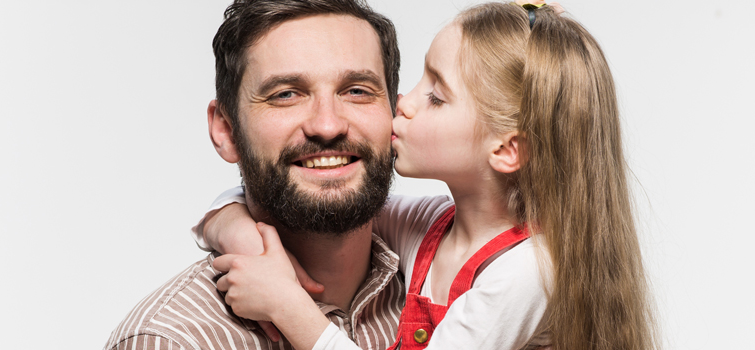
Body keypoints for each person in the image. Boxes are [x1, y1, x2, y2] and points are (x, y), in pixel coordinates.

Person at [203, 2, 657, 350]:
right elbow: (325, 200)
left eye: (436, 96)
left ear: (506, 149)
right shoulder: (432, 226)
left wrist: (287, 305)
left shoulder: (527, 271)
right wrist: (233, 228)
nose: (404, 101)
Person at [103, 0, 406, 349]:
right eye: (286, 94)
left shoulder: (460, 287)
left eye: (356, 91)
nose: (327, 125)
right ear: (227, 130)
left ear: (395, 115)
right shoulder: (172, 341)